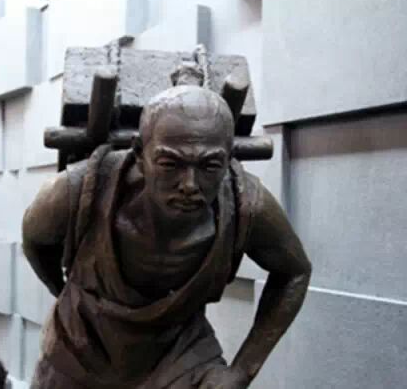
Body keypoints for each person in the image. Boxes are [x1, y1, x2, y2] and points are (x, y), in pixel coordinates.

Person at [22, 84, 312, 388]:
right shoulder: (74, 193)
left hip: (177, 351)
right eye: (170, 164)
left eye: (210, 166)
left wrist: (241, 371)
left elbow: (294, 272)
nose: (190, 184)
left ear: (229, 159)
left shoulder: (247, 205)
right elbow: (35, 243)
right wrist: (64, 290)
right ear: (139, 153)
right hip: (81, 346)